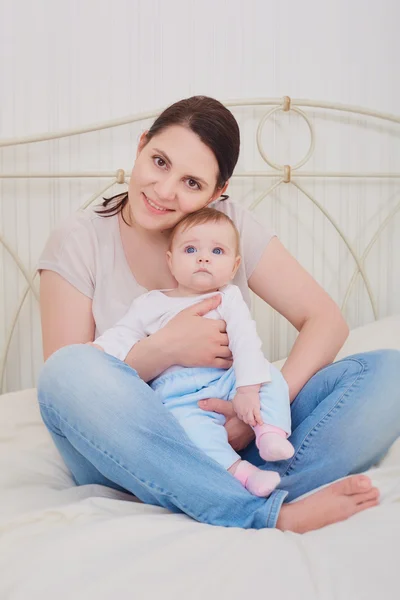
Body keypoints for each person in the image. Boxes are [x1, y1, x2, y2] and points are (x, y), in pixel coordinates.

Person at [37, 95, 400, 532]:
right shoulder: (79, 238)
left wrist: (254, 413)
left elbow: (326, 320)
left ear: (218, 191)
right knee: (67, 370)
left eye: (193, 183)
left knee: (389, 374)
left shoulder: (228, 227)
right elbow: (70, 388)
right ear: (140, 147)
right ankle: (260, 513)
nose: (165, 190)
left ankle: (223, 489)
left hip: (234, 426)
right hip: (133, 451)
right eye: (159, 162)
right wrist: (163, 348)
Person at [91, 208, 295, 497]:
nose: (203, 258)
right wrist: (99, 349)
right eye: (190, 249)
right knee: (191, 434)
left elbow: (245, 341)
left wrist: (248, 390)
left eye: (217, 250)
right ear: (171, 262)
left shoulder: (228, 298)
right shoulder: (150, 304)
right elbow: (123, 334)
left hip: (229, 380)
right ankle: (243, 474)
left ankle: (270, 433)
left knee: (271, 376)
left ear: (234, 266)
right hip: (181, 395)